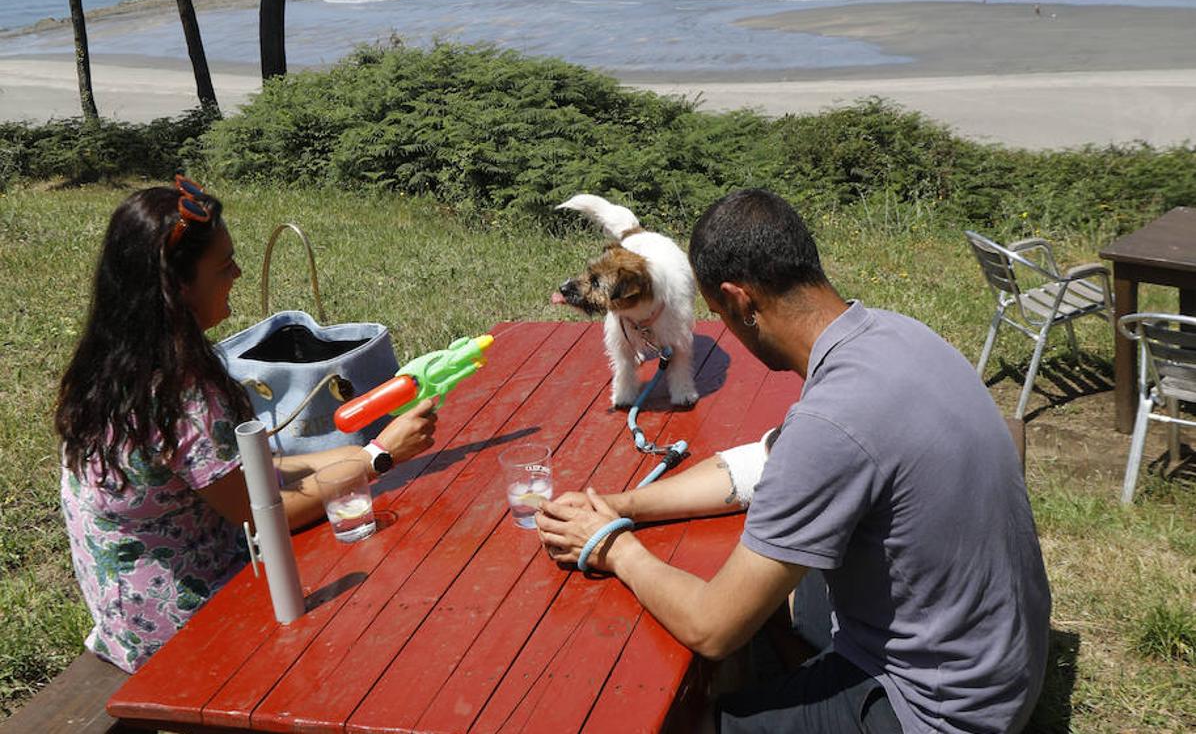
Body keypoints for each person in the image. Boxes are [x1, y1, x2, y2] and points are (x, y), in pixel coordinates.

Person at [536, 188, 1051, 734]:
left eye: (719, 316)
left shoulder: (832, 424)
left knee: (686, 721)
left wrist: (615, 546)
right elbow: (761, 464)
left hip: (939, 711)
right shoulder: (898, 336)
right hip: (998, 663)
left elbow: (713, 627)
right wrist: (624, 505)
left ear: (740, 301)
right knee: (769, 587)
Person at [56, 177, 438, 673]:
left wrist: (367, 451)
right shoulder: (182, 392)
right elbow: (260, 513)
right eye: (223, 264)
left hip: (125, 621)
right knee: (391, 605)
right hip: (189, 633)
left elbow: (245, 471)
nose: (237, 271)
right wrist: (376, 458)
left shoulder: (109, 364)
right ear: (179, 287)